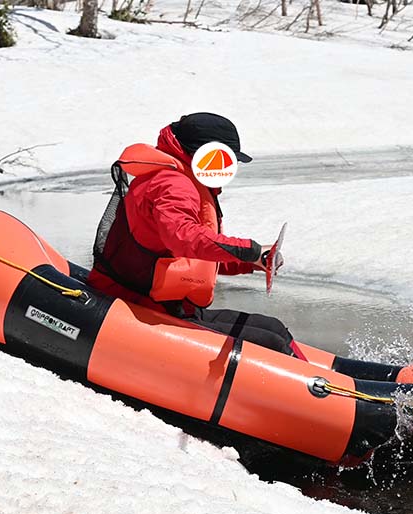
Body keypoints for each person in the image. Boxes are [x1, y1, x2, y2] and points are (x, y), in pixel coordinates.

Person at [88, 112, 304, 359]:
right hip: (140, 304)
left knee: (273, 328)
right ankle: (317, 394)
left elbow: (193, 258)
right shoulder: (172, 184)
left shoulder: (180, 179)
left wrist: (252, 262)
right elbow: (183, 238)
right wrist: (251, 250)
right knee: (270, 343)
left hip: (164, 304)